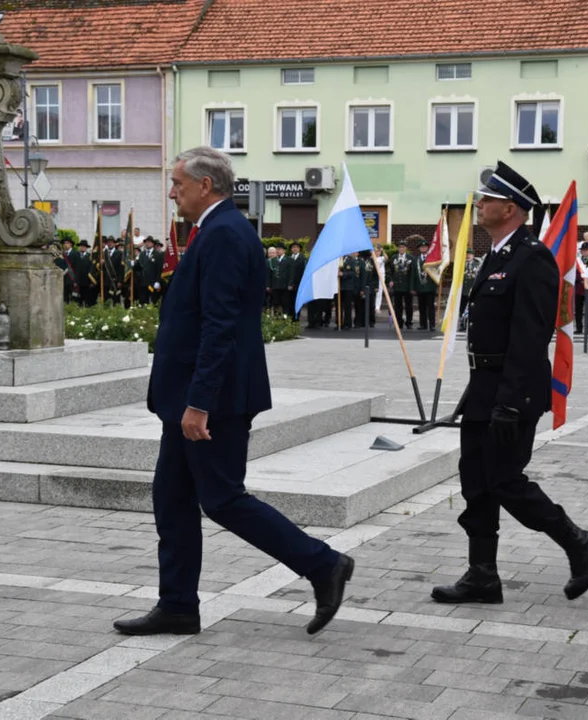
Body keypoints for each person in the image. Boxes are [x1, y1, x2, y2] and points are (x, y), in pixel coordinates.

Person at [114, 146, 353, 637]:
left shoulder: (223, 233)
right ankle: (178, 604)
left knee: (222, 498)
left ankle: (323, 563)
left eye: (178, 183)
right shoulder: (215, 230)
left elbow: (219, 325)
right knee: (173, 499)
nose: (172, 191)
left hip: (211, 400)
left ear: (206, 186)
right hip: (189, 396)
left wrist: (199, 402)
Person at [431, 160, 588, 606]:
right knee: (475, 482)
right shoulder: (496, 253)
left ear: (509, 208)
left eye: (487, 198)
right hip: (484, 386)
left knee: (505, 480)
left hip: (513, 390)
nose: (480, 204)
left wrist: (510, 401)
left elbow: (530, 336)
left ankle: (580, 543)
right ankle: (482, 576)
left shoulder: (532, 258)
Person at [388, 240, 415, 329]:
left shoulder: (411, 258)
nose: (401, 249)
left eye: (403, 247)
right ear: (398, 248)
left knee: (409, 306)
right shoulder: (394, 258)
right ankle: (399, 322)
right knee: (398, 306)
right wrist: (391, 280)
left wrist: (412, 287)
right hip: (397, 286)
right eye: (400, 247)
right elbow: (391, 272)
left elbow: (412, 274)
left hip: (407, 286)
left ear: (406, 248)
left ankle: (409, 322)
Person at [413, 237, 438, 331]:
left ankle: (432, 325)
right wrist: (413, 287)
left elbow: (436, 271)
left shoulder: (432, 259)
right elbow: (413, 274)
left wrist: (437, 284)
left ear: (428, 248)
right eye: (421, 247)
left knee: (431, 307)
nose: (423, 248)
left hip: (430, 286)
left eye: (425, 247)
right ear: (419, 249)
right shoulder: (416, 259)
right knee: (421, 306)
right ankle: (423, 324)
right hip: (420, 286)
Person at [337, 252, 359, 329]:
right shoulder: (337, 259)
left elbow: (353, 272)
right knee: (338, 306)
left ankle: (348, 323)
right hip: (338, 287)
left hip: (348, 287)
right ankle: (339, 323)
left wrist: (343, 274)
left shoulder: (351, 260)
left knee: (347, 306)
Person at [285, 241, 306, 320]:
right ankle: (291, 317)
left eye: (297, 247)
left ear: (299, 249)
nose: (295, 249)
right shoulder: (288, 258)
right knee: (289, 301)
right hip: (289, 284)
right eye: (293, 247)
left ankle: (297, 317)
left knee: (297, 301)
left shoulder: (303, 258)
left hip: (298, 283)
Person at [575, 242, 588, 333]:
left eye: (587, 250)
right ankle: (579, 328)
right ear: (581, 251)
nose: (585, 252)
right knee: (578, 310)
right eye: (583, 250)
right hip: (579, 288)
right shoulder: (577, 261)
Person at [460, 248, 481, 322]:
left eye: (470, 254)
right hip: (463, 290)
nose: (468, 256)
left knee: (471, 307)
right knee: (462, 307)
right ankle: (462, 322)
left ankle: (471, 321)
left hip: (472, 289)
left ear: (473, 255)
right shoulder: (461, 264)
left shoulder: (477, 264)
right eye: (467, 254)